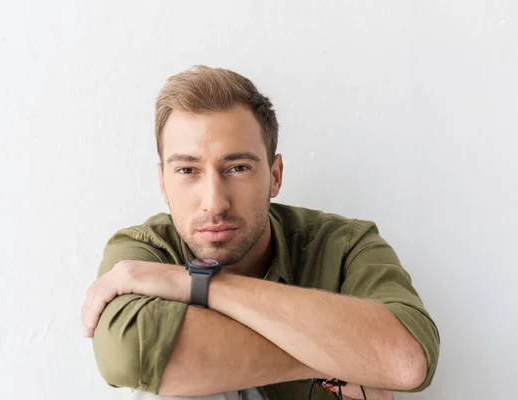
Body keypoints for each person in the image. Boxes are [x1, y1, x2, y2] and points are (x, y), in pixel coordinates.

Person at [81, 65, 440, 400]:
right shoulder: (145, 250)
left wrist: (193, 284)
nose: (214, 203)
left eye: (237, 167)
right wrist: (339, 359)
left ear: (276, 175)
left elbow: (407, 361)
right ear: (163, 182)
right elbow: (127, 355)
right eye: (188, 170)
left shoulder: (344, 246)